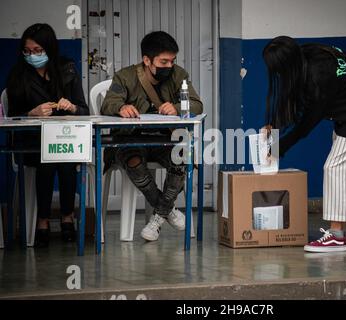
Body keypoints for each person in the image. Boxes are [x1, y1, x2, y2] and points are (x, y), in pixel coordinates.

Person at [263, 36, 346, 253]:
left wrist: (280, 147)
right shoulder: (309, 53)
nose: (278, 74)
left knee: (334, 169)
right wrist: (276, 125)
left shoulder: (319, 76)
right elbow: (301, 100)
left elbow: (307, 122)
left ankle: (336, 235)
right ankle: (345, 233)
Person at [101, 31, 203, 242]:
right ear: (146, 60)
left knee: (183, 157)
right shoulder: (125, 76)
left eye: (172, 61)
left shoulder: (179, 75)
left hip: (165, 140)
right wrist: (121, 107)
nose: (169, 66)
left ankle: (157, 217)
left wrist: (176, 107)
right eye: (163, 61)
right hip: (129, 141)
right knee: (134, 161)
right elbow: (107, 104)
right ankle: (167, 210)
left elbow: (197, 104)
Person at [6, 23, 90, 248]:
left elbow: (85, 112)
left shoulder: (67, 69)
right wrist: (30, 113)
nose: (32, 56)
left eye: (37, 51)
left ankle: (67, 216)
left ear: (50, 49)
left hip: (65, 141)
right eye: (27, 51)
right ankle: (42, 220)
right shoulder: (18, 75)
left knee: (65, 161)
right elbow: (10, 117)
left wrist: (71, 108)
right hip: (32, 143)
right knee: (47, 160)